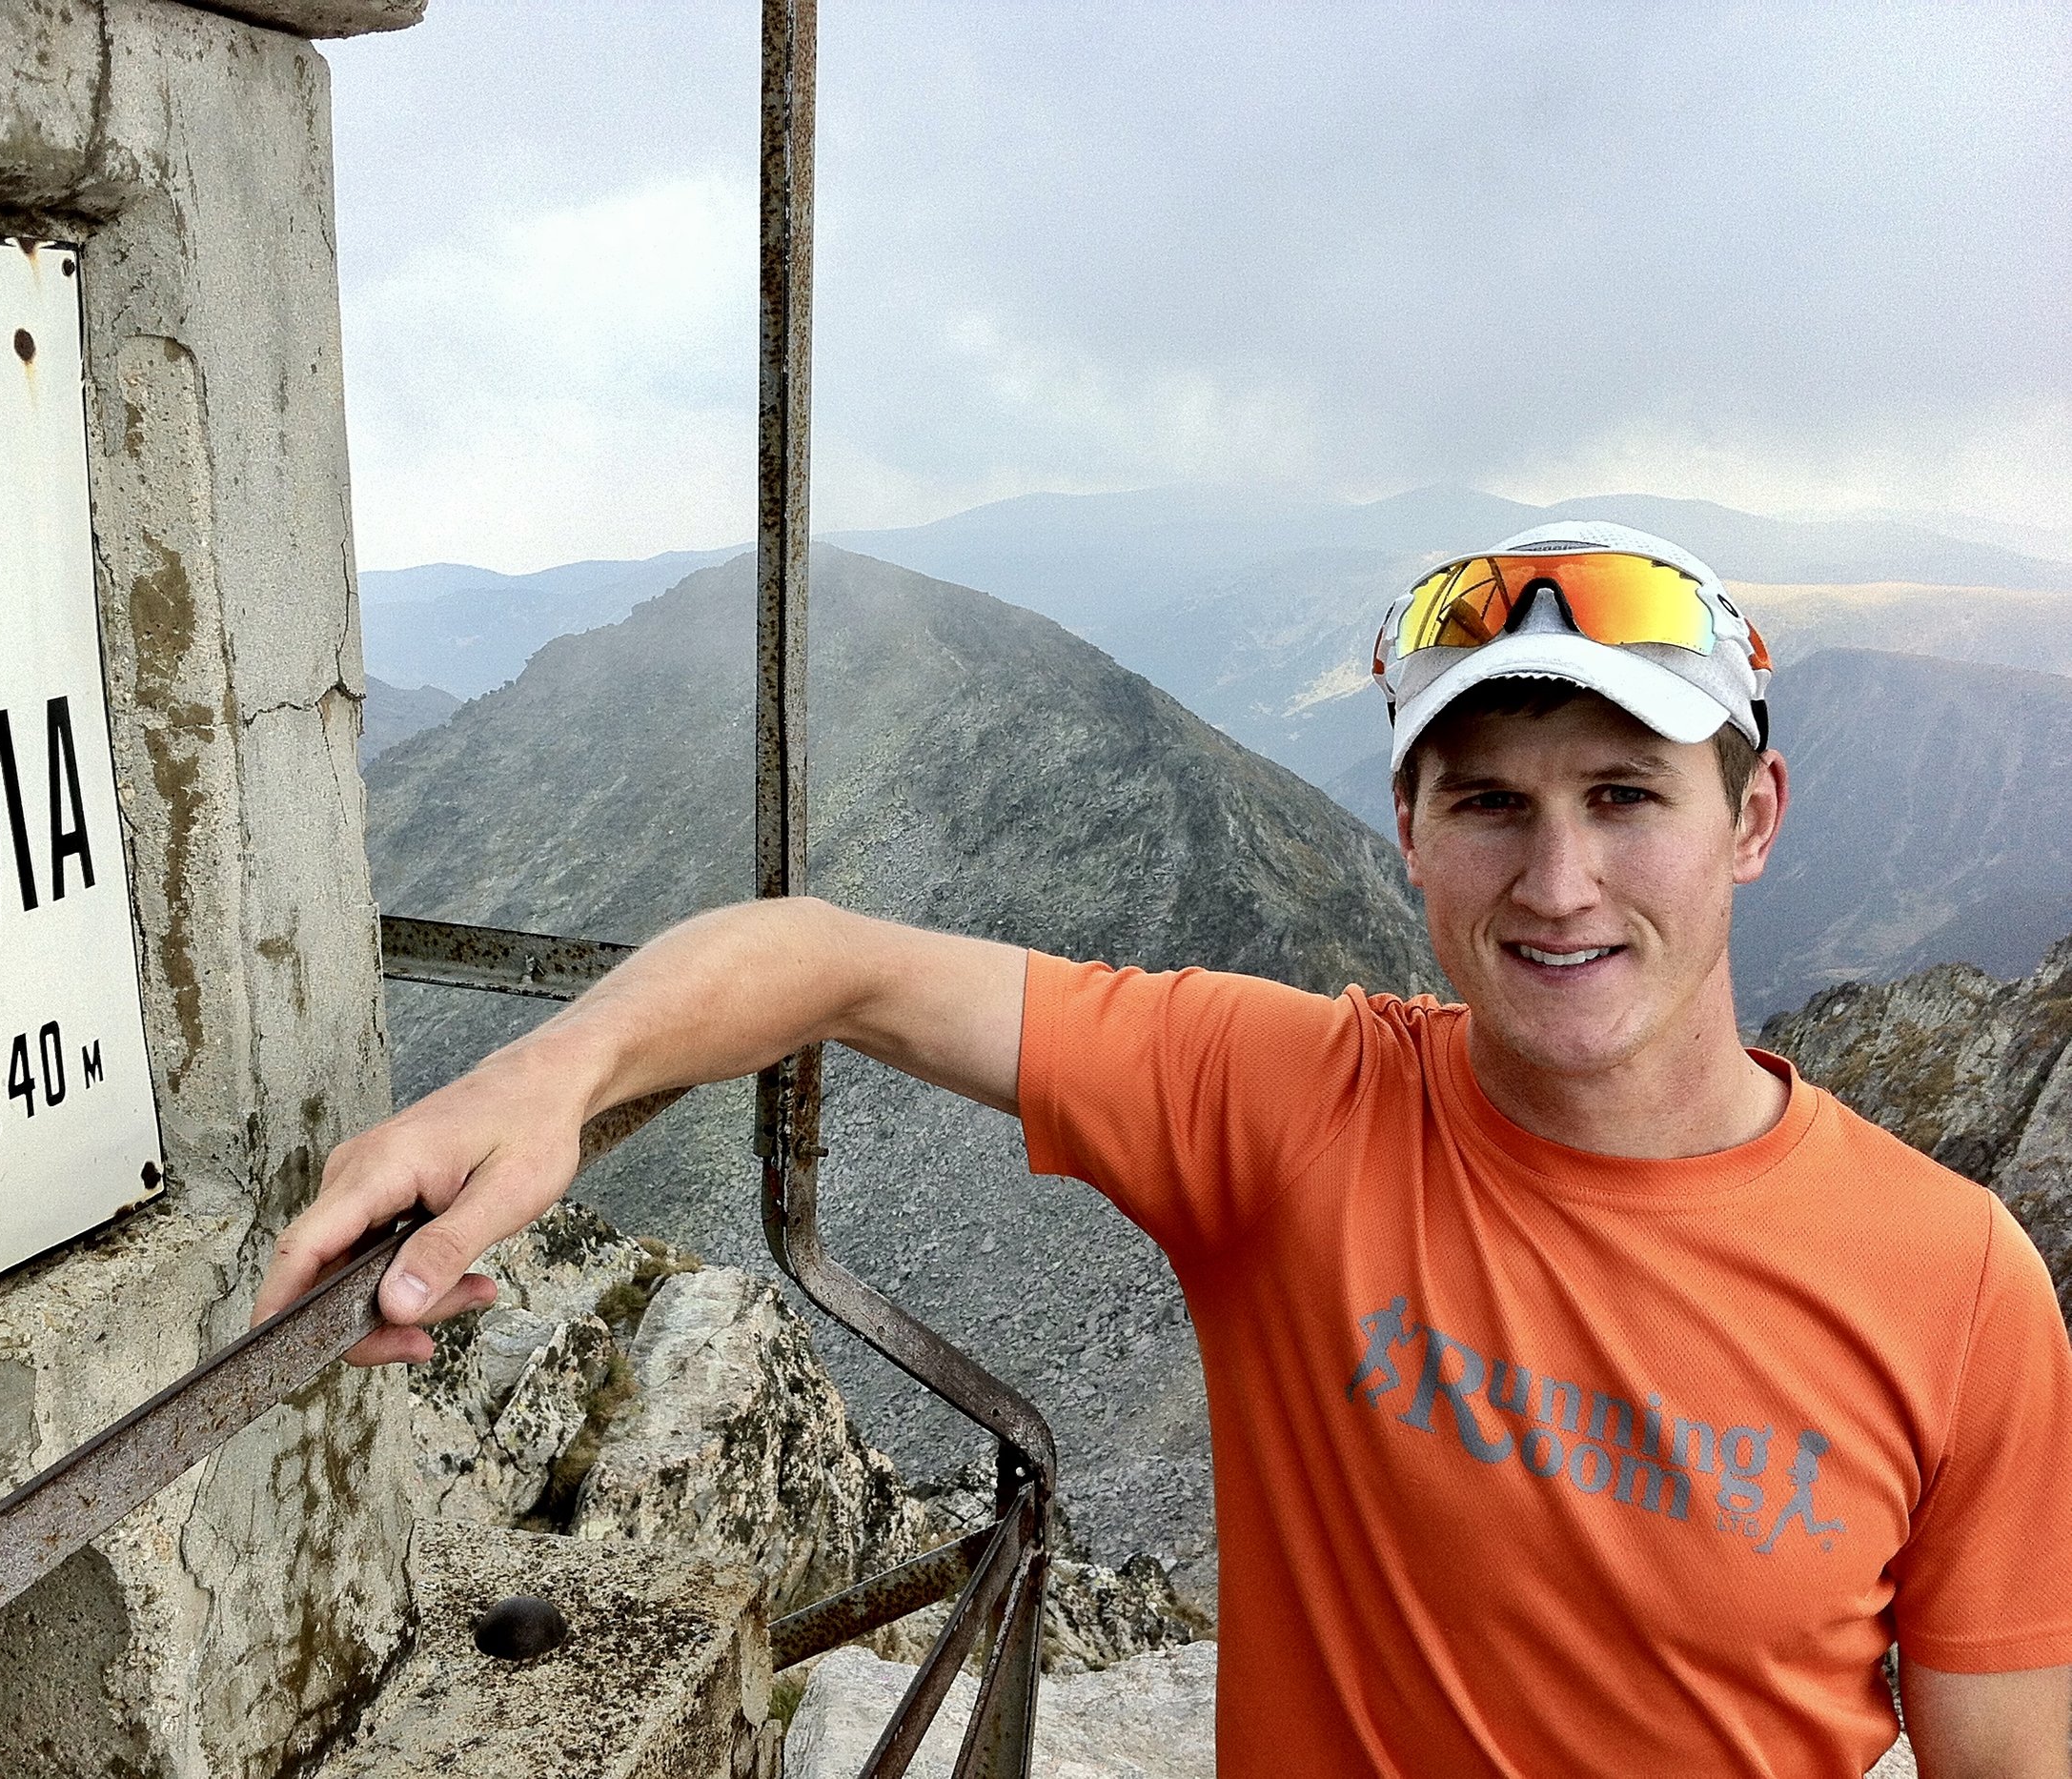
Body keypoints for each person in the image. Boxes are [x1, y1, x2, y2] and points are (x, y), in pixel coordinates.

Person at [256, 521, 2072, 1776]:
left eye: (1626, 798)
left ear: (1752, 820)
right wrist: (544, 1083)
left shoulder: (1958, 1287)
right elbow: (833, 963)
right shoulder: (1296, 1106)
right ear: (1412, 837)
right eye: (1491, 805)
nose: (1559, 880)